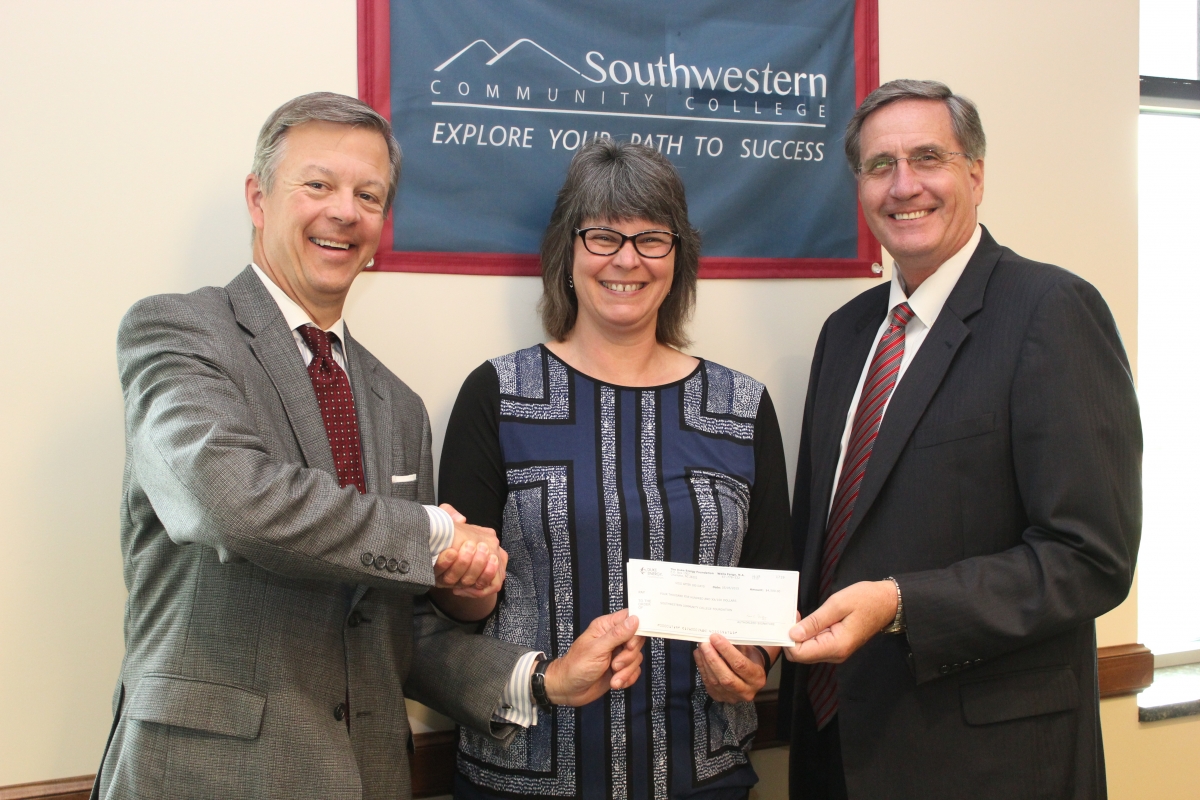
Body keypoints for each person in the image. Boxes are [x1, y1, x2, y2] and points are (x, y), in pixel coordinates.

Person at [92, 92, 643, 800]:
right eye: (317, 185)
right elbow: (229, 501)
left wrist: (540, 679)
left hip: (366, 775)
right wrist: (439, 532)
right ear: (258, 199)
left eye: (369, 194)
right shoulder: (179, 333)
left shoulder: (399, 405)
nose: (344, 211)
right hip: (210, 777)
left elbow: (397, 627)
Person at [782, 79, 1141, 799]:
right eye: (880, 166)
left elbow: (1089, 557)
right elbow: (821, 544)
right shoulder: (846, 334)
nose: (903, 185)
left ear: (974, 174)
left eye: (927, 158)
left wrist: (904, 603)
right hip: (836, 748)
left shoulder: (1051, 312)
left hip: (985, 764)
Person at [435, 138, 792, 800]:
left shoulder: (742, 407)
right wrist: (465, 583)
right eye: (602, 236)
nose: (626, 259)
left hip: (700, 773)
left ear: (678, 259)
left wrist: (752, 662)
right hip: (523, 773)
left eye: (651, 239)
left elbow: (771, 577)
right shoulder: (497, 394)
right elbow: (457, 609)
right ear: (566, 255)